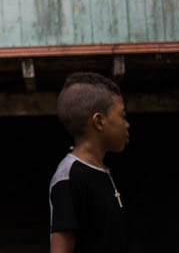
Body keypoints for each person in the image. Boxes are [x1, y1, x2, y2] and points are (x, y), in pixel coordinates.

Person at [49, 72, 131, 253]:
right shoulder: (69, 178)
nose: (127, 124)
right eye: (122, 116)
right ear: (99, 121)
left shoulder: (103, 171)